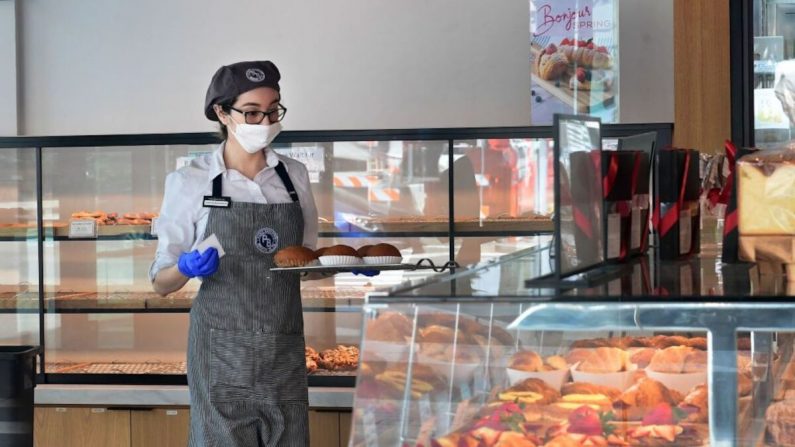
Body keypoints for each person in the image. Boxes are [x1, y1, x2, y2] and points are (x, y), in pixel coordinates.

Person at [150, 60, 318, 446]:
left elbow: (304, 260)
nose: (266, 121)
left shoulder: (294, 177)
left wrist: (341, 264)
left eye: (273, 109)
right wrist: (186, 267)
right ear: (222, 113)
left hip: (283, 348)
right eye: (253, 112)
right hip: (222, 353)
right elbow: (161, 282)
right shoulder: (190, 180)